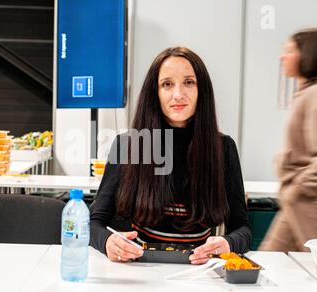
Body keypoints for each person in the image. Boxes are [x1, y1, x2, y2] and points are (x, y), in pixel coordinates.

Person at [90, 47, 251, 264]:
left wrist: (230, 243)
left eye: (189, 82)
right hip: (138, 269)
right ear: (154, 93)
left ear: (201, 90)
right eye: (167, 84)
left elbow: (243, 228)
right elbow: (94, 223)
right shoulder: (130, 145)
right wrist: (108, 242)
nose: (178, 94)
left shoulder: (223, 148)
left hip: (200, 273)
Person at [260, 29, 317, 252]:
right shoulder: (310, 94)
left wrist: (298, 187)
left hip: (314, 203)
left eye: (289, 50)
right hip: (298, 202)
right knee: (270, 263)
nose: (282, 57)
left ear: (307, 55)